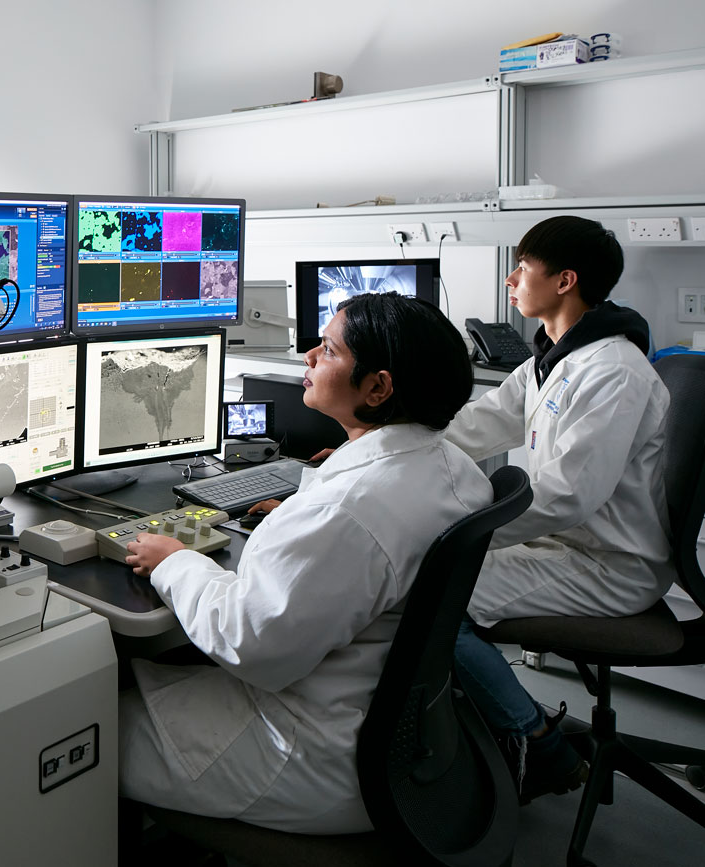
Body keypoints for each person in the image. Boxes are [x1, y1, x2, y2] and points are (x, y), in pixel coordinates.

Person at [119, 293, 492, 833]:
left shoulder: (349, 510)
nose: (310, 356)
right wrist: (293, 516)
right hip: (397, 734)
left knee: (78, 728)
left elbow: (249, 640)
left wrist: (174, 559)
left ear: (378, 387)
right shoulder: (449, 464)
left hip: (307, 752)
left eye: (329, 349)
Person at [445, 215, 673, 803]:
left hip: (608, 566)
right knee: (422, 579)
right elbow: (479, 423)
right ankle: (497, 724)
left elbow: (567, 494)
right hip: (568, 547)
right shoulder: (553, 358)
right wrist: (379, 447)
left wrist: (458, 528)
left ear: (565, 280)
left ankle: (538, 743)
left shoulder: (613, 370)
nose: (509, 280)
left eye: (522, 267)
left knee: (427, 600)